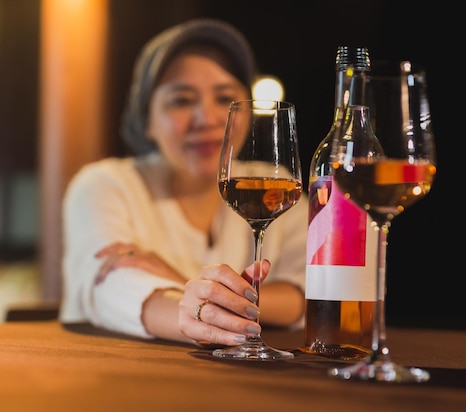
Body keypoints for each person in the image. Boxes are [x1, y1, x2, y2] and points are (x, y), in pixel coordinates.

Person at [59, 18, 308, 347]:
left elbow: (306, 296)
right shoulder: (106, 185)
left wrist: (179, 279)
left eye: (224, 99)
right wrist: (196, 315)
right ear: (145, 120)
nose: (206, 119)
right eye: (181, 100)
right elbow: (107, 285)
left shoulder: (274, 184)